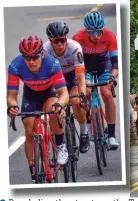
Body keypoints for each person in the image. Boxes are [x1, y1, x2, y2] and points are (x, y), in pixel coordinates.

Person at [7, 36, 69, 182]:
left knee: (53, 113)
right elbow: (11, 95)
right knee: (29, 130)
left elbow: (64, 93)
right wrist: (12, 106)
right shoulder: (15, 66)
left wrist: (60, 104)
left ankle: (60, 145)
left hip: (50, 91)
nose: (31, 61)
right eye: (27, 58)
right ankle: (33, 169)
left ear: (41, 54)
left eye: (34, 57)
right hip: (31, 94)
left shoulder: (52, 64)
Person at [72, 11, 119, 149]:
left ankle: (111, 135)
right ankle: (88, 126)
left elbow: (115, 62)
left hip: (104, 64)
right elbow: (76, 64)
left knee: (106, 93)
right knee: (85, 92)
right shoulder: (78, 37)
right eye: (92, 32)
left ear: (103, 28)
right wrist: (79, 81)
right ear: (86, 30)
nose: (96, 35)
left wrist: (112, 77)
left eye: (99, 31)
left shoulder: (109, 35)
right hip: (85, 65)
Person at [43, 21, 89, 154]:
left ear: (66, 38)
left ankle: (84, 133)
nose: (59, 44)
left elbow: (80, 77)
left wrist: (82, 96)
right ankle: (59, 141)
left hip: (72, 76)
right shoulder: (45, 51)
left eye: (62, 40)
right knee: (53, 106)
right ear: (50, 40)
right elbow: (45, 76)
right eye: (55, 41)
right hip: (55, 78)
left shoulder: (75, 47)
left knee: (76, 101)